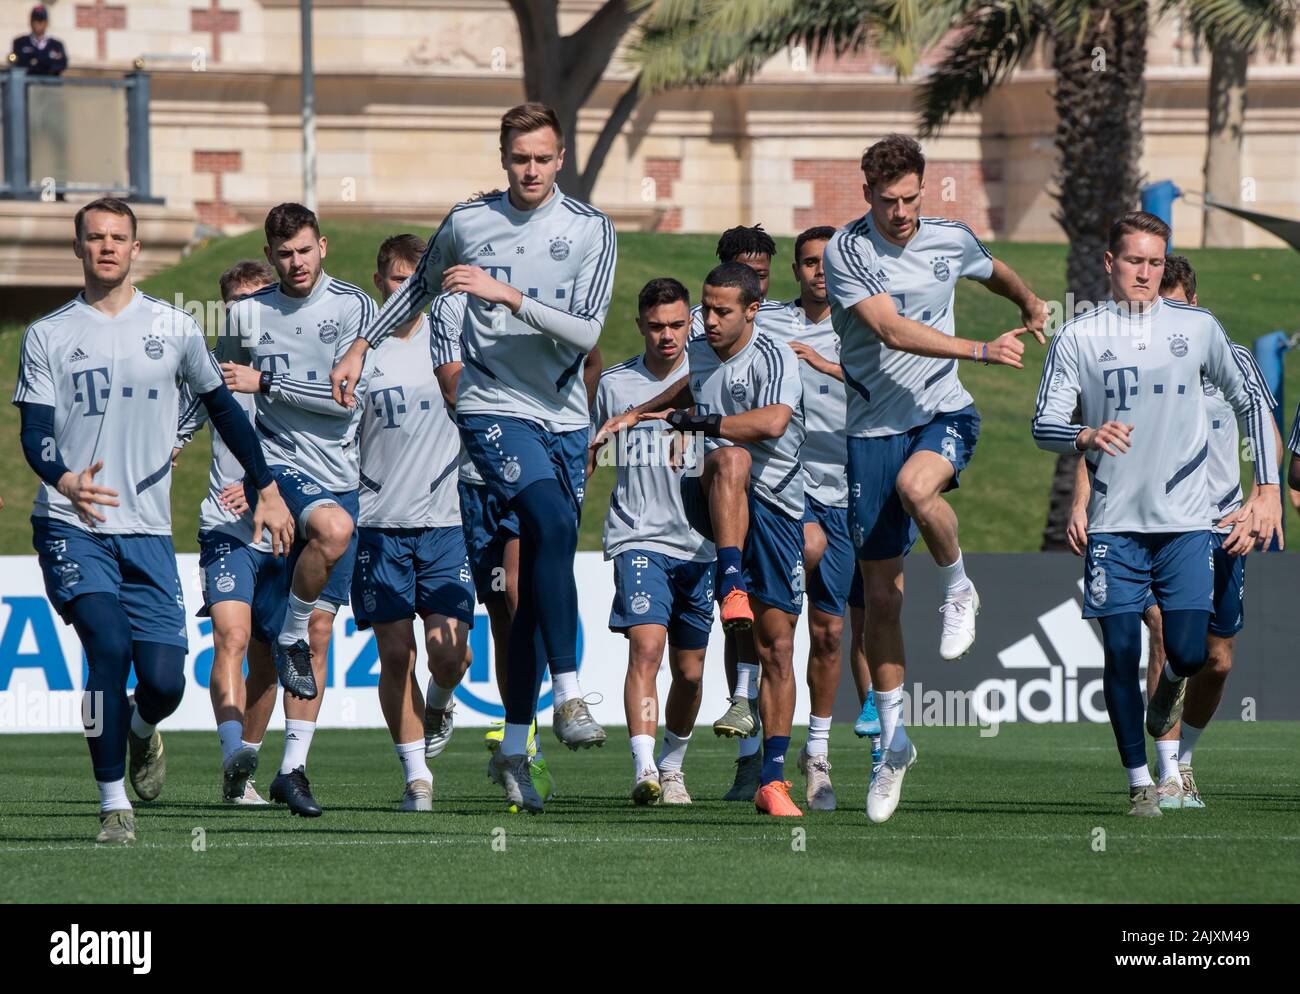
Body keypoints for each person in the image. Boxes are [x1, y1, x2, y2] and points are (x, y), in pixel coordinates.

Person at [331, 103, 616, 814]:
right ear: (503, 156)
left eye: (543, 158)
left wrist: (505, 294)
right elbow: (418, 287)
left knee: (526, 594)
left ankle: (516, 745)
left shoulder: (591, 229)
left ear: (560, 159)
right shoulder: (467, 222)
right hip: (493, 409)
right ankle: (572, 696)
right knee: (547, 522)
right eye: (519, 157)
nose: (530, 170)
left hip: (564, 416)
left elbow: (585, 334)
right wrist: (363, 343)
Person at [13, 198, 293, 844]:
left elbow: (223, 410)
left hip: (147, 531)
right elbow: (33, 431)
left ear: (137, 250)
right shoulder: (50, 334)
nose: (107, 247)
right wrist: (63, 479)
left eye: (119, 238)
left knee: (165, 681)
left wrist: (267, 488)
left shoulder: (173, 327)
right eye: (95, 237)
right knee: (107, 646)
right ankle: (114, 804)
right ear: (78, 247)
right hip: (70, 522)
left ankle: (142, 729)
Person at [821, 134, 1047, 823]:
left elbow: (992, 268)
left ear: (925, 189)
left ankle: (958, 586)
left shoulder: (948, 235)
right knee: (880, 602)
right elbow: (888, 330)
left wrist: (1031, 304)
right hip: (870, 434)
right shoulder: (846, 251)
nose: (900, 212)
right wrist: (981, 346)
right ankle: (893, 741)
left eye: (911, 199)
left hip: (942, 413)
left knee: (920, 490)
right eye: (887, 201)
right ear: (866, 195)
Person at [1033, 211, 1281, 817]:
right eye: (1134, 261)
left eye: (1155, 262)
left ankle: (1169, 697)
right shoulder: (1078, 336)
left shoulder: (1197, 329)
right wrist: (1086, 436)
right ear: (1109, 264)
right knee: (1121, 651)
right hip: (1116, 526)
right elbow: (1044, 426)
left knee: (1193, 654)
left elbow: (1250, 401)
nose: (1145, 272)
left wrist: (1267, 489)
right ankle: (1142, 779)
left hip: (1190, 524)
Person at [595, 262, 807, 817]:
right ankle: (650, 767)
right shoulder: (697, 352)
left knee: (777, 646)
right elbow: (688, 383)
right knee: (648, 646)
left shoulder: (775, 355)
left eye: (718, 312)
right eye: (703, 311)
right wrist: (637, 414)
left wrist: (694, 423)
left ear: (752, 310)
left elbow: (776, 423)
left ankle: (774, 776)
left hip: (778, 504)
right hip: (686, 517)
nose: (699, 323)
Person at [221, 202, 375, 817]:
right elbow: (216, 391)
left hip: (341, 476)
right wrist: (231, 468)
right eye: (283, 254)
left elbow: (344, 404)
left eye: (304, 250)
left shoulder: (352, 307)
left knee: (314, 632)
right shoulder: (245, 314)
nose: (295, 262)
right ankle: (245, 765)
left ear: (323, 247)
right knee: (274, 636)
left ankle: (290, 769)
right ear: (269, 255)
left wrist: (269, 384)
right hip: (279, 476)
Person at [352, 234, 476, 811]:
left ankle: (441, 698)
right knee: (395, 652)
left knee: (449, 653)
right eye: (397, 280)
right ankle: (416, 778)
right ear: (381, 283)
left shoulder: (453, 342)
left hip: (447, 521)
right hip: (379, 522)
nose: (407, 291)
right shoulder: (363, 350)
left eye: (417, 281)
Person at [590, 278, 715, 805]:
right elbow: (589, 455)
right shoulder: (615, 386)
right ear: (639, 325)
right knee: (646, 646)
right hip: (638, 536)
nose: (667, 336)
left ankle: (672, 765)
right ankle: (643, 768)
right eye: (657, 326)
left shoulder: (712, 378)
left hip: (702, 545)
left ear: (693, 324)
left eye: (677, 325)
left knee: (689, 673)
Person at [174, 260, 283, 806]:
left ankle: (247, 768)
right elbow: (171, 428)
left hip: (286, 529)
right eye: (235, 302)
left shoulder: (295, 368)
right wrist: (163, 451)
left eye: (257, 298)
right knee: (231, 639)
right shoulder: (210, 374)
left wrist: (272, 484)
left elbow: (338, 448)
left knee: (269, 656)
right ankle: (230, 749)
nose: (246, 311)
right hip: (226, 529)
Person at [12, 5, 67, 76]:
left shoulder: (56, 45)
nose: (36, 24)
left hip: (49, 84)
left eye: (40, 21)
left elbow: (62, 64)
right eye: (34, 20)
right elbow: (17, 62)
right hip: (27, 82)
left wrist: (41, 63)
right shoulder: (20, 42)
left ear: (46, 23)